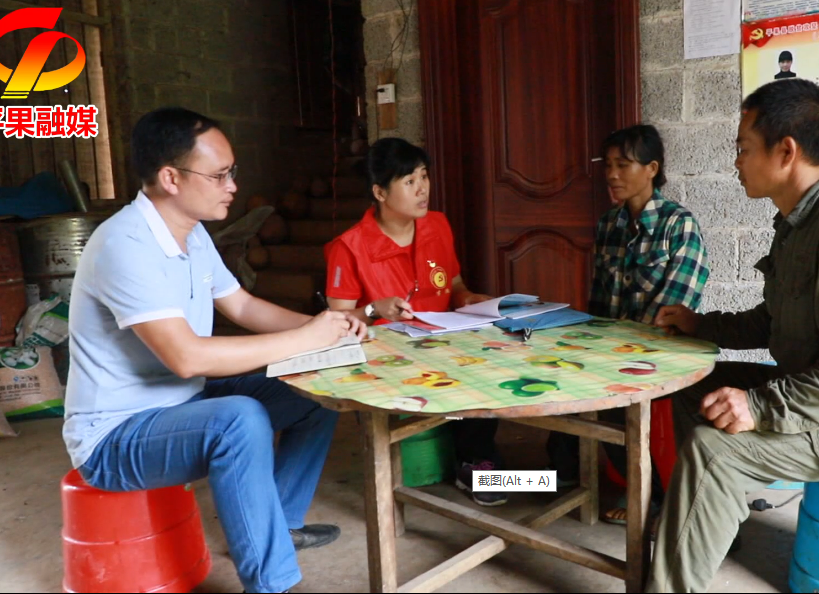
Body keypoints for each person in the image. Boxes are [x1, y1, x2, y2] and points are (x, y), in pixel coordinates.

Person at [63, 107, 367, 594]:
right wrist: (308, 338)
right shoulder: (124, 244)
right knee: (239, 418)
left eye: (232, 173)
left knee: (316, 384)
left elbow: (243, 306)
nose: (232, 186)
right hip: (114, 437)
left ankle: (281, 523)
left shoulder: (193, 233)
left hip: (182, 404)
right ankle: (269, 584)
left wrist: (330, 330)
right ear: (170, 178)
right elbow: (187, 358)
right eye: (220, 174)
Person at [647, 79, 819, 592]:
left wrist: (759, 407)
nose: (736, 162)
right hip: (817, 394)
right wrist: (698, 324)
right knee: (694, 388)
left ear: (786, 151)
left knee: (715, 450)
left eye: (742, 148)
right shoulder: (799, 223)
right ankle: (708, 520)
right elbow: (773, 320)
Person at [324, 136, 508, 507]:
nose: (422, 189)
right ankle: (477, 464)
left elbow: (454, 286)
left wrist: (470, 300)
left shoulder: (437, 225)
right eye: (409, 181)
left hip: (444, 345)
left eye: (423, 176)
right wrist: (375, 310)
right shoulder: (349, 247)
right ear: (379, 191)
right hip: (385, 360)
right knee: (457, 385)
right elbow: (335, 322)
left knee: (492, 362)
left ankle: (482, 465)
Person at [546, 124, 709, 525]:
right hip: (610, 346)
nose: (611, 174)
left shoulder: (678, 225)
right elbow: (599, 304)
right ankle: (560, 478)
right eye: (608, 165)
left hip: (660, 350)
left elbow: (672, 314)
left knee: (612, 401)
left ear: (651, 168)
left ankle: (655, 496)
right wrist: (582, 343)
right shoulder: (608, 225)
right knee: (557, 387)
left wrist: (610, 349)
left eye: (623, 165)